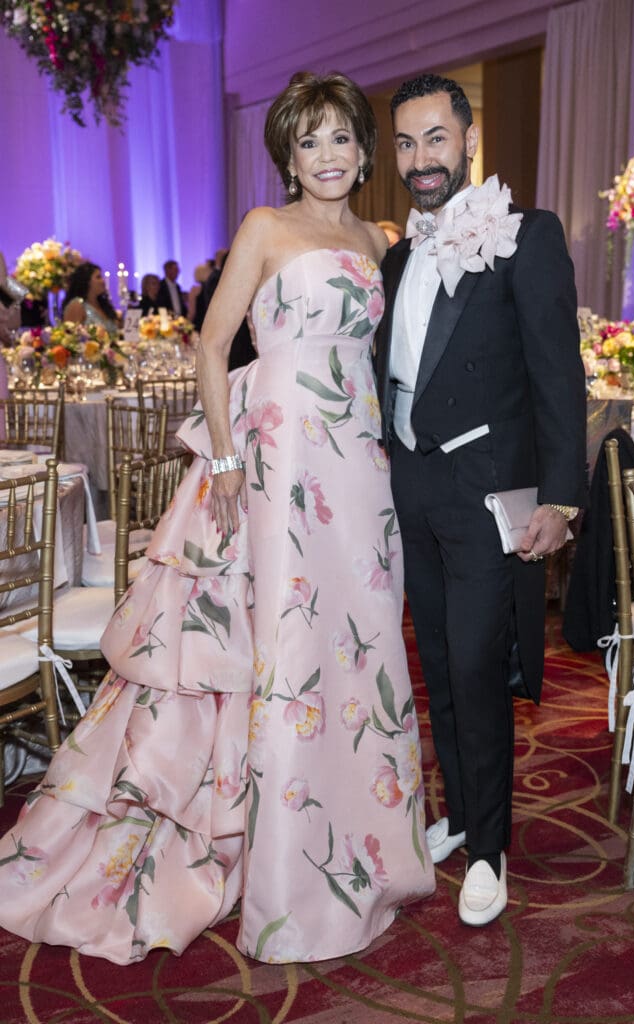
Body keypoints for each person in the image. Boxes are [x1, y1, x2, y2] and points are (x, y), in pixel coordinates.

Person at [0, 70, 435, 965]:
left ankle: (365, 849)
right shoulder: (265, 229)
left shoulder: (379, 238)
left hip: (359, 463)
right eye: (307, 140)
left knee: (360, 647)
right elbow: (209, 340)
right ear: (287, 154)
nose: (326, 155)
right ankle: (284, 872)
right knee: (287, 644)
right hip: (279, 458)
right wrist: (229, 457)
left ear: (364, 149)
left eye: (340, 138)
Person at [374, 73, 587, 927]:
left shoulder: (525, 235)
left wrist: (562, 499)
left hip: (485, 494)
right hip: (411, 489)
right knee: (439, 674)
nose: (420, 158)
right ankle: (460, 816)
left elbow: (556, 375)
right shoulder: (395, 255)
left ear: (466, 141)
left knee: (474, 667)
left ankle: (490, 852)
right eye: (405, 142)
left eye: (434, 138)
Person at [62, 261, 119, 337]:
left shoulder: (102, 304)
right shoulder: (77, 305)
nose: (103, 281)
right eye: (98, 277)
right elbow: (70, 338)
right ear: (86, 281)